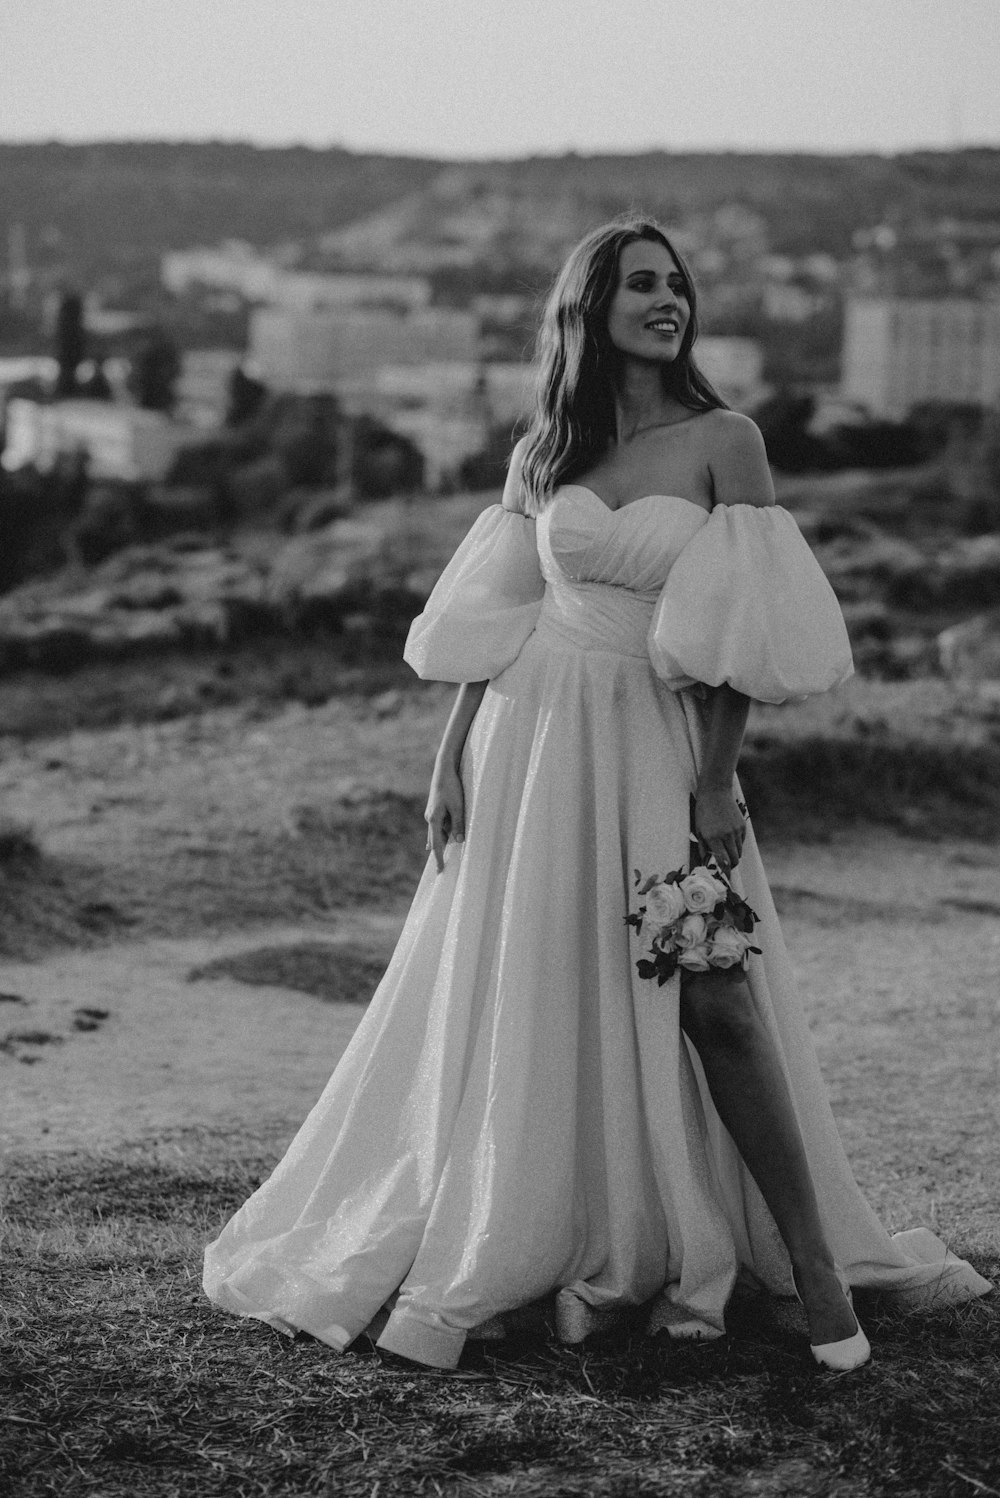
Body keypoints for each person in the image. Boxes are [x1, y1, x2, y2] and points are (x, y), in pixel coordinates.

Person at [204, 218, 990, 1371]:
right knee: (540, 987)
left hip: (662, 744)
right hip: (528, 743)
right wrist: (448, 754)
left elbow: (746, 631)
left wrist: (717, 777)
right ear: (591, 306)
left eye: (677, 283)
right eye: (641, 284)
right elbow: (503, 619)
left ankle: (820, 1271)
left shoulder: (728, 440)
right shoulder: (545, 451)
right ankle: (558, 1228)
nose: (668, 300)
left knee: (714, 994)